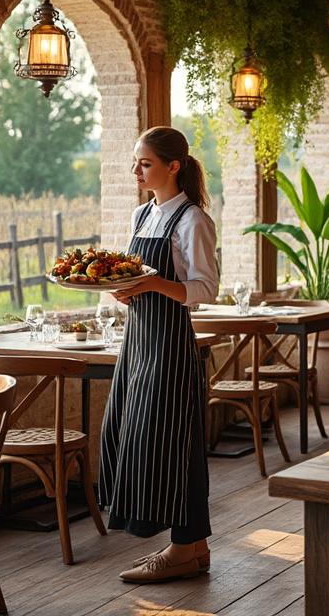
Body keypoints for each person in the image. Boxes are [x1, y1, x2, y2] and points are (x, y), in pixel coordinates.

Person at [103, 126, 219, 583]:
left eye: (145, 163)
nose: (136, 170)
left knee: (174, 442)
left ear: (173, 166)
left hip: (170, 345)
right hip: (137, 342)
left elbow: (205, 289)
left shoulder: (192, 220)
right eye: (135, 161)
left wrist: (151, 284)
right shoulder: (141, 215)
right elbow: (138, 278)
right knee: (134, 434)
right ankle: (194, 547)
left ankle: (182, 548)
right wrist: (128, 290)